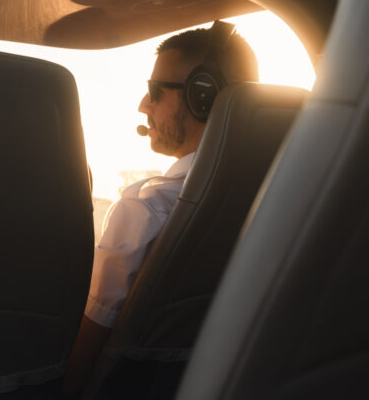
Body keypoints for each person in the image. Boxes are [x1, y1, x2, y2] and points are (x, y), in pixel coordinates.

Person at [62, 22, 258, 395]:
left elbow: (93, 336)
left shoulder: (148, 209)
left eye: (155, 91)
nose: (142, 105)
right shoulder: (283, 196)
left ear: (204, 96)